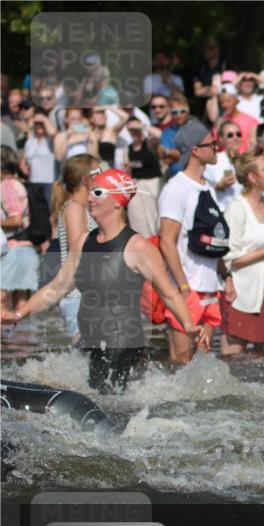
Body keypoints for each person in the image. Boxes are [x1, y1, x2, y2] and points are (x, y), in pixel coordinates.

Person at [3, 169, 206, 393]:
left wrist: (188, 325)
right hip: (89, 340)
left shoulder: (138, 247)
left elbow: (169, 293)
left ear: (118, 202)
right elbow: (56, 287)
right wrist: (19, 314)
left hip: (122, 342)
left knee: (105, 402)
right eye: (91, 192)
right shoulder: (84, 242)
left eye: (98, 192)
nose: (90, 198)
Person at [157, 121, 227, 364]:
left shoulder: (208, 188)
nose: (217, 148)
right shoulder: (176, 189)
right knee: (181, 359)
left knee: (203, 363)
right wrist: (183, 288)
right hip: (187, 288)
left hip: (209, 287)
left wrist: (226, 276)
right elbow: (167, 242)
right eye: (212, 144)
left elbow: (214, 238)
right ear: (196, 150)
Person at [219, 150, 264, 357]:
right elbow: (229, 258)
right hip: (243, 290)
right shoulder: (237, 208)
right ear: (252, 177)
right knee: (235, 357)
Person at [49, 154, 99, 342]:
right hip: (78, 297)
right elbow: (79, 249)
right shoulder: (74, 209)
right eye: (98, 172)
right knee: (86, 359)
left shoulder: (83, 208)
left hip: (84, 297)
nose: (102, 177)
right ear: (86, 180)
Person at [1, 149, 38, 313]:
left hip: (13, 251)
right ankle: (23, 339)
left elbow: (15, 219)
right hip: (25, 249)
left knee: (3, 308)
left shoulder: (6, 185)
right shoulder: (19, 182)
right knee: (21, 311)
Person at [125, 117, 162, 199]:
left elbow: (160, 135)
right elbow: (127, 167)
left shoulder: (150, 142)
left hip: (153, 182)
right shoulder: (128, 148)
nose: (134, 132)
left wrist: (142, 126)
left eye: (136, 129)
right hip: (137, 184)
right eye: (131, 129)